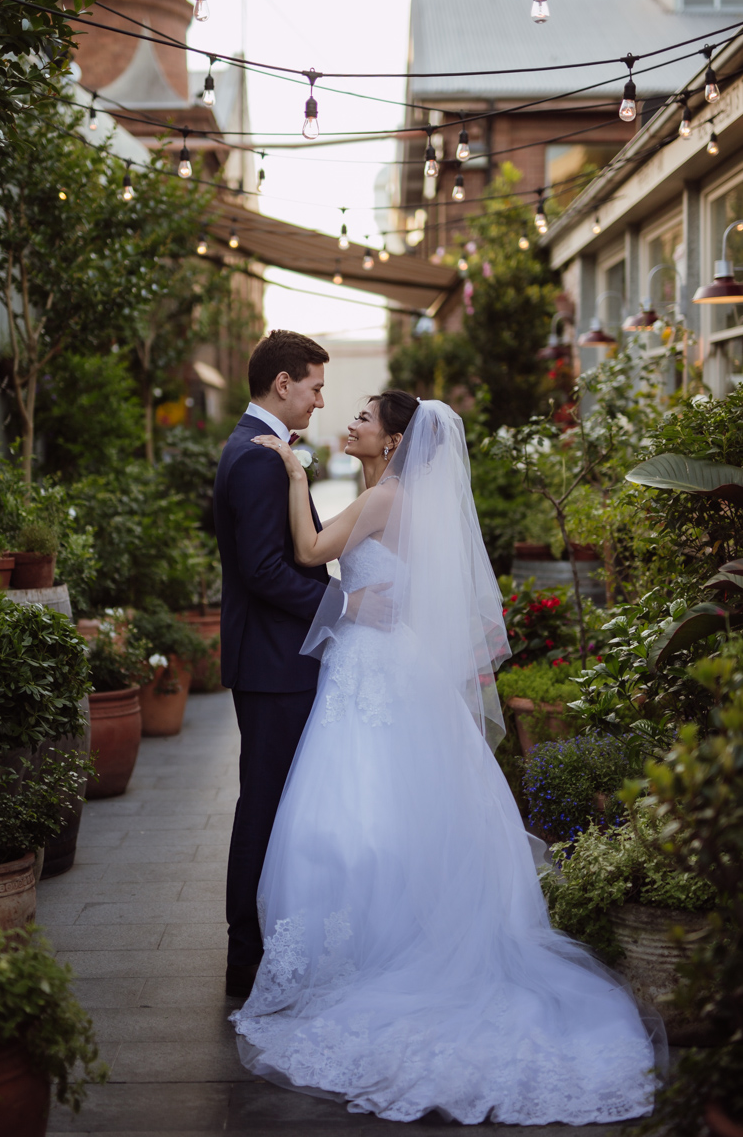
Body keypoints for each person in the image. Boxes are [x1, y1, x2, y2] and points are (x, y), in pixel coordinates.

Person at [230, 392, 666, 1126]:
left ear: (394, 441)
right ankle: (381, 942)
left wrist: (298, 481)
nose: (351, 422)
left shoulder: (382, 500)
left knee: (350, 811)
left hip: (369, 668)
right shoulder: (400, 498)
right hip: (391, 663)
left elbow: (306, 553)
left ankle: (363, 958)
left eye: (365, 418)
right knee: (395, 807)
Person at [214, 330, 346, 999]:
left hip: (273, 657)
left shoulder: (262, 450)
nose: (322, 400)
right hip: (272, 663)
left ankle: (262, 942)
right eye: (316, 387)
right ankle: (245, 955)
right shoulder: (258, 458)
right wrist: (341, 608)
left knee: (273, 803)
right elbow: (265, 571)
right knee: (263, 806)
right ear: (283, 384)